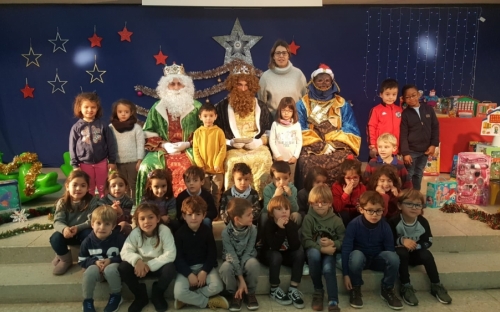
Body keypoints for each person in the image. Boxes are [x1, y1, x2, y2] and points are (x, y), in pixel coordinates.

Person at [137, 63, 202, 204]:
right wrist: (164, 144)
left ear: (187, 86)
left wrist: (187, 143)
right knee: (145, 167)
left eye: (180, 84)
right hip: (162, 150)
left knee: (189, 167)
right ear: (166, 87)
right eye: (172, 84)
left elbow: (205, 131)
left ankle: (191, 206)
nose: (177, 87)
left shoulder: (196, 107)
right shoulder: (157, 108)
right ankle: (147, 206)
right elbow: (148, 131)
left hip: (190, 149)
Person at [215, 61, 274, 198]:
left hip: (257, 145)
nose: (243, 89)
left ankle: (261, 200)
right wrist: (230, 143)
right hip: (233, 149)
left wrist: (260, 142)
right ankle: (233, 200)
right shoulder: (222, 108)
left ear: (251, 85)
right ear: (233, 85)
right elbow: (216, 134)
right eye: (239, 85)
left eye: (246, 85)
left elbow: (271, 131)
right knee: (231, 162)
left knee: (264, 157)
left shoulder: (261, 106)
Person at [296, 64, 361, 187]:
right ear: (313, 81)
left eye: (327, 80)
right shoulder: (302, 104)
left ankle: (343, 198)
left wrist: (332, 143)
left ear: (332, 82)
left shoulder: (342, 104)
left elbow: (351, 129)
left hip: (336, 146)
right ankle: (313, 200)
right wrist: (320, 146)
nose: (324, 83)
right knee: (306, 162)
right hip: (312, 146)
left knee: (349, 161)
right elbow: (299, 128)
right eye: (320, 80)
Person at [388, 189, 452, 306]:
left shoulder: (423, 222)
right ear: (399, 205)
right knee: (401, 252)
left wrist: (417, 246)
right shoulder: (394, 221)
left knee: (426, 254)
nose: (414, 207)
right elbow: (388, 240)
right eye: (409, 204)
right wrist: (402, 240)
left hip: (415, 253)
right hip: (400, 254)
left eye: (418, 205)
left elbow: (428, 241)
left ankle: (436, 285)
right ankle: (406, 286)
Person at [342, 191, 402, 310]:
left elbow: (389, 250)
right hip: (359, 260)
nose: (374, 215)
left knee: (394, 257)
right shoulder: (354, 225)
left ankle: (387, 288)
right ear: (361, 209)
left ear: (383, 210)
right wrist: (346, 274)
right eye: (370, 210)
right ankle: (356, 288)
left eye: (378, 210)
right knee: (356, 255)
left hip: (376, 259)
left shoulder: (385, 226)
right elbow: (346, 249)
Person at [173, 196, 229, 310]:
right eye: (190, 214)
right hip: (186, 269)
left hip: (204, 267)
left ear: (203, 215)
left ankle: (188, 300)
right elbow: (178, 258)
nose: (194, 218)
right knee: (178, 293)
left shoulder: (207, 232)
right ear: (184, 216)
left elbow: (212, 254)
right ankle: (209, 301)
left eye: (198, 214)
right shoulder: (179, 234)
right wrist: (188, 274)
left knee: (217, 286)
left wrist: (204, 271)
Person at [119, 203, 177, 312]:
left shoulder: (164, 231)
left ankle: (158, 293)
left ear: (158, 218)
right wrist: (137, 261)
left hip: (157, 266)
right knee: (123, 267)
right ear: (138, 221)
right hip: (139, 268)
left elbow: (170, 254)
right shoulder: (135, 232)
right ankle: (140, 296)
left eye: (151, 217)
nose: (147, 221)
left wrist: (149, 265)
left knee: (170, 268)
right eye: (142, 219)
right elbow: (125, 251)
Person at [302, 185, 345, 312]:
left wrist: (334, 243)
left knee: (328, 268)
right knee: (314, 254)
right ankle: (318, 290)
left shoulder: (336, 220)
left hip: (330, 252)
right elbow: (306, 240)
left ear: (330, 204)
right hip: (314, 251)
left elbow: (344, 240)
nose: (320, 206)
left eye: (324, 202)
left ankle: (333, 300)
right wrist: (321, 249)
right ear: (311, 203)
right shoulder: (309, 219)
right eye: (316, 203)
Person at [259, 195, 305, 308]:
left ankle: (293, 289)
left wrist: (288, 228)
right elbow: (273, 246)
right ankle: (274, 289)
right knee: (276, 255)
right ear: (271, 212)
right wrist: (280, 229)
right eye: (279, 209)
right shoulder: (269, 224)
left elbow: (295, 246)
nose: (284, 211)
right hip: (269, 255)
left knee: (299, 253)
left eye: (286, 209)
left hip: (286, 254)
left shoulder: (291, 224)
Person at [50, 170, 99, 275]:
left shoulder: (92, 201)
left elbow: (92, 220)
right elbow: (58, 221)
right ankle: (65, 260)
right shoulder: (62, 202)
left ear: (87, 188)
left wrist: (78, 228)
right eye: (75, 185)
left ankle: (86, 260)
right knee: (55, 238)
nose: (78, 188)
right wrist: (64, 229)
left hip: (82, 232)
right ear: (67, 186)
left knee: (90, 234)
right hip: (67, 233)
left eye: (83, 185)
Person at [69, 92, 117, 198]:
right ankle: (89, 207)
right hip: (84, 163)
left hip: (101, 162)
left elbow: (110, 143)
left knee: (103, 186)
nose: (90, 110)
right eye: (86, 107)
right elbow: (72, 147)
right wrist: (75, 165)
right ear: (80, 108)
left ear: (97, 108)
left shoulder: (103, 125)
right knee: (89, 187)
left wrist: (112, 161)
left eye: (93, 107)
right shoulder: (76, 127)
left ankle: (104, 207)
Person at [78, 205, 126, 312]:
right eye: (98, 223)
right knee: (89, 272)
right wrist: (94, 262)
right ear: (92, 224)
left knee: (110, 269)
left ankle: (116, 296)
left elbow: (126, 255)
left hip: (113, 270)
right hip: (97, 270)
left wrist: (111, 260)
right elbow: (81, 260)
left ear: (113, 226)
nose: (102, 227)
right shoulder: (87, 241)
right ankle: (87, 300)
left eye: (107, 224)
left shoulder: (119, 238)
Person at [219, 198, 260, 311]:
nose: (252, 216)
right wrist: (241, 280)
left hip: (246, 258)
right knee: (225, 268)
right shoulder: (226, 233)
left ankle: (249, 292)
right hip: (232, 260)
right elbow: (231, 256)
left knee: (253, 264)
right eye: (248, 214)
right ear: (237, 219)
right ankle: (235, 294)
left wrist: (239, 275)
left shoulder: (253, 230)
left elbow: (248, 252)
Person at [400, 84, 440, 191]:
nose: (411, 99)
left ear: (418, 94)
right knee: (409, 174)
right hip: (411, 151)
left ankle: (416, 196)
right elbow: (403, 134)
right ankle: (407, 196)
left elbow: (435, 127)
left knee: (418, 173)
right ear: (404, 99)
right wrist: (405, 153)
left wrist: (433, 145)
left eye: (413, 95)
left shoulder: (428, 109)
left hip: (425, 150)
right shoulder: (405, 114)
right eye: (407, 97)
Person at [258, 39, 307, 117]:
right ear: (273, 56)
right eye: (278, 53)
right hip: (273, 122)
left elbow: (305, 99)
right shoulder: (266, 77)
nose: (281, 56)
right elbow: (261, 104)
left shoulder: (298, 74)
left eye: (284, 53)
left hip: (295, 121)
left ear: (288, 55)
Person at [109, 98, 145, 201]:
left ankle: (134, 203)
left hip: (133, 162)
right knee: (121, 184)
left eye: (126, 112)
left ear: (131, 112)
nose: (123, 114)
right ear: (116, 113)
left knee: (132, 184)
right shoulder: (111, 128)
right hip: (118, 162)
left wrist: (139, 160)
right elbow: (109, 145)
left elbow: (140, 144)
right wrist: (111, 161)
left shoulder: (136, 128)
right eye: (120, 112)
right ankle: (123, 204)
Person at [192, 103, 226, 209]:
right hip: (204, 170)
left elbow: (222, 149)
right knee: (205, 191)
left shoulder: (219, 132)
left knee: (216, 192)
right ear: (200, 117)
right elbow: (195, 150)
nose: (208, 119)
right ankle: (206, 210)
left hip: (217, 169)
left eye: (211, 116)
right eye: (205, 116)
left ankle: (215, 210)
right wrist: (200, 165)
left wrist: (217, 163)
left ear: (215, 117)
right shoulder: (197, 133)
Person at [269, 97, 303, 183]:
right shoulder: (275, 124)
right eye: (284, 110)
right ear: (279, 111)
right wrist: (277, 156)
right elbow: (272, 141)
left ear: (293, 112)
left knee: (290, 181)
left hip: (291, 160)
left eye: (289, 111)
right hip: (278, 160)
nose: (286, 113)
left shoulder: (296, 125)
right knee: (278, 180)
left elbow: (299, 142)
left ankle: (290, 196)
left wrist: (295, 156)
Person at [367, 79, 402, 157]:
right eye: (387, 94)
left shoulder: (400, 110)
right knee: (379, 168)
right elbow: (371, 127)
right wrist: (373, 145)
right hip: (380, 148)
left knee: (392, 168)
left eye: (394, 94)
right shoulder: (376, 110)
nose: (390, 97)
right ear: (381, 94)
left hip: (394, 148)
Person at [262, 161, 301, 233]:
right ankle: (262, 238)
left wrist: (290, 196)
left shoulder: (292, 189)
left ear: (290, 177)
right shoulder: (268, 189)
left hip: (286, 216)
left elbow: (295, 209)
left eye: (285, 178)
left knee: (296, 215)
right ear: (272, 178)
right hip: (273, 217)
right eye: (278, 179)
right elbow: (266, 210)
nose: (282, 182)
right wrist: (275, 196)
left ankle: (294, 236)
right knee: (263, 216)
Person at [332, 157, 366, 227]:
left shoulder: (362, 188)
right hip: (342, 217)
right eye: (348, 178)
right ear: (343, 177)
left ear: (359, 177)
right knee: (344, 214)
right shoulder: (336, 187)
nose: (352, 181)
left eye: (355, 178)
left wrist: (360, 206)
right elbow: (337, 208)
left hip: (357, 215)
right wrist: (346, 194)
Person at [97, 171, 134, 236]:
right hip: (106, 228)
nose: (117, 188)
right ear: (108, 188)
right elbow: (98, 218)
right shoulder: (102, 201)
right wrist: (110, 211)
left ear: (126, 187)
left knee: (125, 226)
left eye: (121, 185)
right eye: (113, 186)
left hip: (120, 229)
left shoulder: (128, 201)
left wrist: (121, 213)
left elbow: (129, 219)